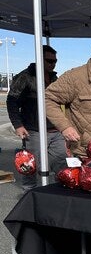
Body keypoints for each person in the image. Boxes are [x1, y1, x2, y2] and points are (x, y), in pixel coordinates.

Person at [6, 45, 66, 191]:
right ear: (40, 59)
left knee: (61, 163)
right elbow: (12, 101)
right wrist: (18, 125)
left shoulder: (54, 78)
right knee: (30, 164)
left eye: (55, 61)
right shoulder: (25, 77)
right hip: (33, 130)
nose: (53, 64)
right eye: (49, 61)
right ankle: (29, 191)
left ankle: (61, 190)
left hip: (55, 130)